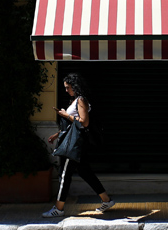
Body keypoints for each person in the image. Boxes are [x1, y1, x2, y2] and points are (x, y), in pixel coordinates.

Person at [43, 72, 115, 218]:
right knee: (85, 172)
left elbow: (84, 121)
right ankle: (106, 200)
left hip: (75, 145)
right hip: (75, 143)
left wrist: (65, 115)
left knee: (64, 175)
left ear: (75, 87)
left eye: (68, 87)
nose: (66, 90)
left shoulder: (81, 100)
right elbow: (72, 126)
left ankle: (59, 208)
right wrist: (57, 134)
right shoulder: (75, 100)